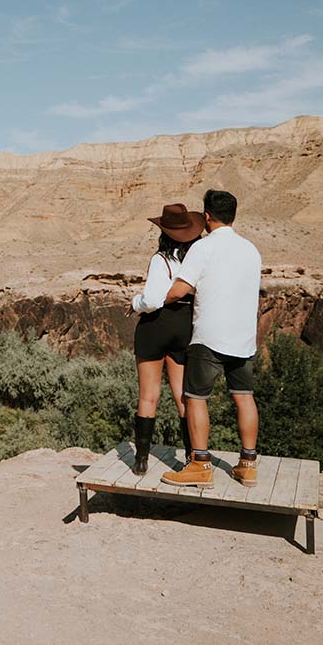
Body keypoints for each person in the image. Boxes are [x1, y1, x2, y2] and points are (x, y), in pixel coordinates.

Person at [159, 189, 262, 489]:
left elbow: (180, 289)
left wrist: (153, 299)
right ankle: (248, 465)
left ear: (206, 216)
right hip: (243, 338)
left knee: (195, 399)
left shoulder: (203, 249)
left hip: (210, 337)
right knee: (244, 397)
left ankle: (200, 465)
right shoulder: (251, 250)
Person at [126, 203, 204, 475]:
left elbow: (153, 300)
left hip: (154, 328)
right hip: (184, 328)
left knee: (148, 396)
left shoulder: (161, 259)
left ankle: (141, 460)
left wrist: (135, 303)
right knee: (183, 397)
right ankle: (192, 458)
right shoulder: (197, 261)